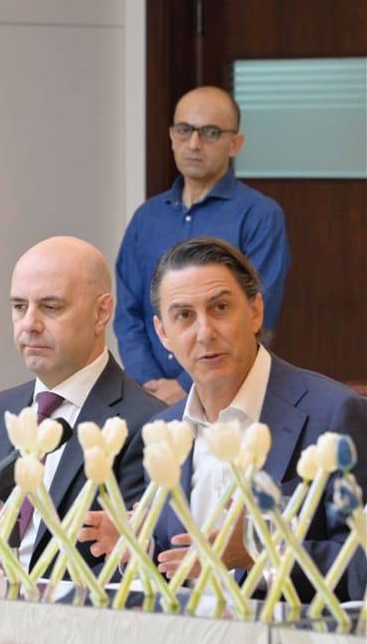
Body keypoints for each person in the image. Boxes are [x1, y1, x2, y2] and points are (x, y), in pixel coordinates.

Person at [96, 238, 367, 599]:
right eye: (184, 316)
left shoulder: (336, 414)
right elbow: (180, 565)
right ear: (163, 334)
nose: (205, 333)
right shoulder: (161, 432)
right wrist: (138, 550)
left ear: (255, 312)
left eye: (220, 308)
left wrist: (261, 552)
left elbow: (360, 564)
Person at [0, 237, 165, 572]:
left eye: (51, 308)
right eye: (19, 307)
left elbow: (128, 571)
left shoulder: (148, 426)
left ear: (101, 312)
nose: (29, 324)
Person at [116, 86, 291, 407]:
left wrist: (185, 386)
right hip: (150, 397)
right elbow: (128, 312)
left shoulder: (260, 216)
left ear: (235, 143)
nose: (194, 144)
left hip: (229, 393)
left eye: (210, 132)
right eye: (185, 130)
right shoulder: (147, 217)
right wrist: (147, 383)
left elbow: (257, 311)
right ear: (172, 136)